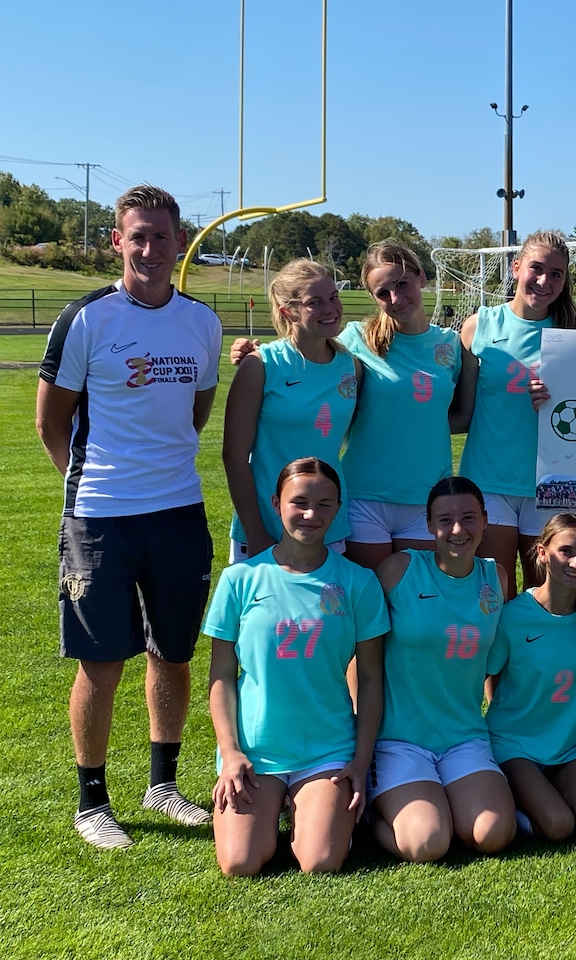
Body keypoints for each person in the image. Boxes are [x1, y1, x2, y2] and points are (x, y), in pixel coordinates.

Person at [36, 185, 222, 849]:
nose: (149, 248)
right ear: (117, 241)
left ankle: (163, 785)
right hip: (101, 517)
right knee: (100, 664)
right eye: (136, 236)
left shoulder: (202, 321)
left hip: (177, 512)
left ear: (179, 243)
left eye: (160, 236)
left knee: (172, 655)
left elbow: (196, 414)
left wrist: (156, 472)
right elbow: (51, 420)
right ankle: (92, 802)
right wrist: (95, 487)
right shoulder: (87, 319)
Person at [229, 241, 469, 571]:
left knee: (410, 606)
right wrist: (249, 353)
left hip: (424, 496)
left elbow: (460, 415)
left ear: (422, 277)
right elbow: (305, 346)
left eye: (401, 284)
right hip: (361, 498)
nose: (395, 298)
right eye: (383, 292)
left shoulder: (451, 345)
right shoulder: (356, 342)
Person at [205, 458, 387, 876]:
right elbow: (221, 676)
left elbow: (373, 679)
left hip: (327, 749)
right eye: (299, 502)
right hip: (257, 751)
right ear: (276, 503)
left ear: (338, 508)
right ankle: (277, 806)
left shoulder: (358, 582)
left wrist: (360, 761)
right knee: (240, 862)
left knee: (320, 861)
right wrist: (231, 752)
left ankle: (309, 809)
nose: (311, 514)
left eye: (324, 504)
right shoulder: (241, 579)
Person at [369, 476, 516, 860]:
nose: (457, 529)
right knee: (428, 842)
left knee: (493, 833)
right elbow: (361, 652)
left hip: (464, 736)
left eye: (468, 518)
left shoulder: (496, 578)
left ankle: (444, 799)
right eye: (445, 519)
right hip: (398, 739)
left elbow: (498, 656)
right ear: (429, 523)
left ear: (485, 520)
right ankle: (372, 817)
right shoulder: (399, 570)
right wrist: (360, 731)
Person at [460, 231, 576, 597]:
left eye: (556, 273)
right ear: (516, 268)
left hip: (553, 482)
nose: (545, 281)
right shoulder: (478, 327)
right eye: (536, 268)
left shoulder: (574, 335)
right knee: (496, 591)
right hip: (490, 479)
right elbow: (462, 411)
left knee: (548, 594)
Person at [484, 514, 576, 840]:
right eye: (566, 551)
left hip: (567, 749)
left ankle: (551, 792)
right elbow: (489, 672)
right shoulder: (514, 614)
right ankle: (510, 805)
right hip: (513, 744)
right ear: (542, 552)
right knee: (558, 825)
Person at [223, 260, 361, 563]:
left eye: (334, 297)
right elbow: (234, 457)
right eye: (315, 302)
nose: (331, 308)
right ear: (289, 311)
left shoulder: (350, 365)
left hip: (328, 525)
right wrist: (256, 532)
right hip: (266, 527)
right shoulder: (261, 365)